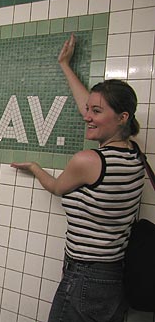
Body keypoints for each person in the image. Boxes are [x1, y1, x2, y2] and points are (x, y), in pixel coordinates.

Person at [11, 34, 145, 321]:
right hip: (113, 274)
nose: (87, 116)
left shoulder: (89, 161)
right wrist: (65, 65)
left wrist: (35, 168)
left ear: (122, 117)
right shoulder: (134, 154)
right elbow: (92, 107)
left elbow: (57, 187)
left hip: (85, 276)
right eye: (90, 110)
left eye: (96, 112)